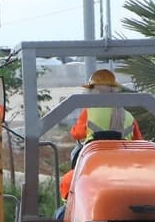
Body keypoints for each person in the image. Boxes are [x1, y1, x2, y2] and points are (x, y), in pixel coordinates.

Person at [59, 68, 144, 201]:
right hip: (124, 164)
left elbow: (76, 134)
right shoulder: (128, 116)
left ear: (94, 90)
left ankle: (66, 211)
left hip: (94, 161)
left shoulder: (89, 111)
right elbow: (139, 141)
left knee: (68, 181)